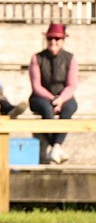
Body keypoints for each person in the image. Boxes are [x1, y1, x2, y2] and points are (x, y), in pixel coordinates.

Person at [29, 23, 79, 163]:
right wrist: (53, 99)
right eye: (50, 38)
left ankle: (55, 147)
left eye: (57, 39)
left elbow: (71, 85)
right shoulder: (37, 58)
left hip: (64, 96)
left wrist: (61, 100)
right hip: (41, 96)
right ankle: (56, 147)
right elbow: (36, 86)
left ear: (63, 40)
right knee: (46, 108)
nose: (53, 42)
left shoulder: (70, 58)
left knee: (70, 107)